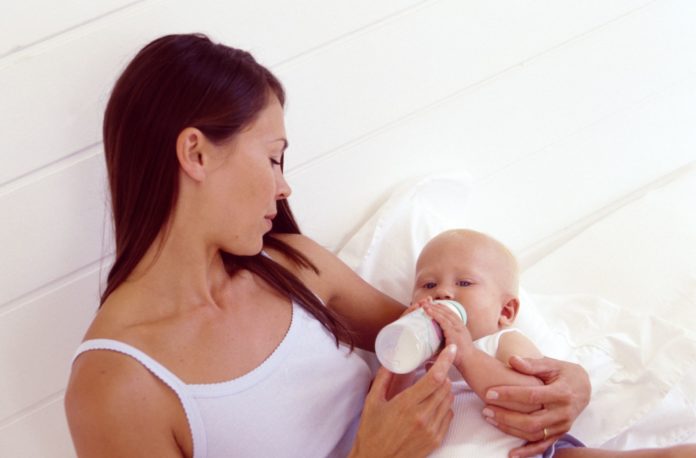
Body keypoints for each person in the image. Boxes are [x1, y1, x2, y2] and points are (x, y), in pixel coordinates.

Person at [64, 33, 591, 458]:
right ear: (196, 154)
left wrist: (568, 385)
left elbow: (449, 335)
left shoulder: (292, 264)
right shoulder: (116, 387)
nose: (284, 186)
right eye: (273, 158)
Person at [410, 229, 696, 457]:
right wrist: (398, 356)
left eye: (464, 283)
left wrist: (467, 355)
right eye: (429, 285)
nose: (444, 293)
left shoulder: (502, 343)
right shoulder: (417, 363)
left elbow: (534, 398)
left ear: (506, 311)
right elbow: (385, 412)